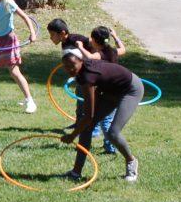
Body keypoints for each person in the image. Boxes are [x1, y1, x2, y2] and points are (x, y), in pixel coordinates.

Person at [59, 48, 140, 183]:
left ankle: (131, 161)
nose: (69, 69)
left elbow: (88, 116)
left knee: (113, 133)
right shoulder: (82, 73)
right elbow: (91, 108)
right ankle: (75, 172)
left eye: (72, 65)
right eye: (66, 67)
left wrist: (72, 136)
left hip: (130, 89)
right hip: (110, 91)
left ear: (81, 61)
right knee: (86, 128)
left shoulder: (87, 76)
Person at [88, 26, 127, 154]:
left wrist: (80, 47)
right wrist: (115, 36)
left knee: (106, 119)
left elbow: (89, 56)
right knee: (104, 116)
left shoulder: (99, 54)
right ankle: (105, 141)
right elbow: (123, 49)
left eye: (91, 38)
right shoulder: (113, 51)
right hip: (116, 88)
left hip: (108, 90)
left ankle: (110, 146)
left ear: (94, 40)